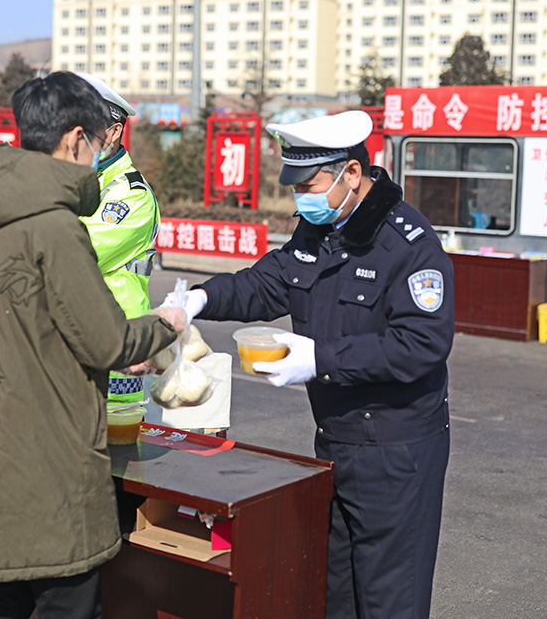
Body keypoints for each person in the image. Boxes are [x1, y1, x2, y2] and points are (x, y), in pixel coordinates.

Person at [0, 71, 185, 619]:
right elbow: (109, 340)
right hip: (47, 430)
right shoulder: (54, 225)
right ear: (74, 139)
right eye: (93, 137)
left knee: (6, 590)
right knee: (65, 597)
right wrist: (168, 323)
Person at [169, 110, 454, 619]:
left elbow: (421, 344)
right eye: (295, 185)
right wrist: (196, 300)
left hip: (396, 448)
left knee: (390, 599)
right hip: (335, 440)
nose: (302, 196)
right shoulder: (320, 232)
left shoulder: (408, 245)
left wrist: (319, 358)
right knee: (334, 593)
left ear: (351, 173)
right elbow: (264, 284)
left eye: (311, 183)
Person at [74, 73, 160, 408]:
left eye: (87, 131)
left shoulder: (130, 195)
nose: (76, 140)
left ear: (113, 131)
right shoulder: (71, 181)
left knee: (115, 452)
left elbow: (77, 255)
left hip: (117, 342)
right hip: (70, 335)